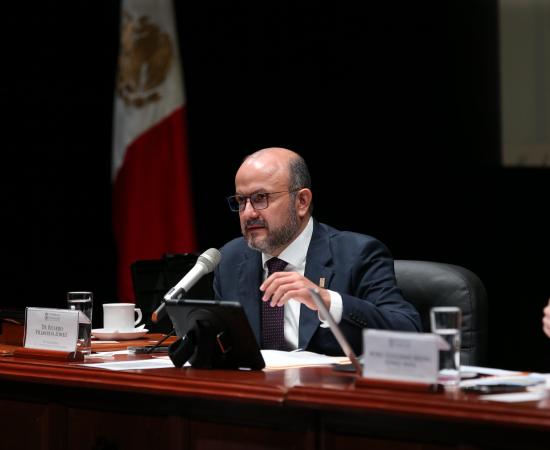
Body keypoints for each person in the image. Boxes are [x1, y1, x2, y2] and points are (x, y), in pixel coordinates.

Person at [213, 147, 421, 355]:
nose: (248, 213)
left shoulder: (358, 254)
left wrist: (326, 301)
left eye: (260, 197)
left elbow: (408, 331)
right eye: (241, 201)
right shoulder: (230, 259)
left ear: (302, 201)